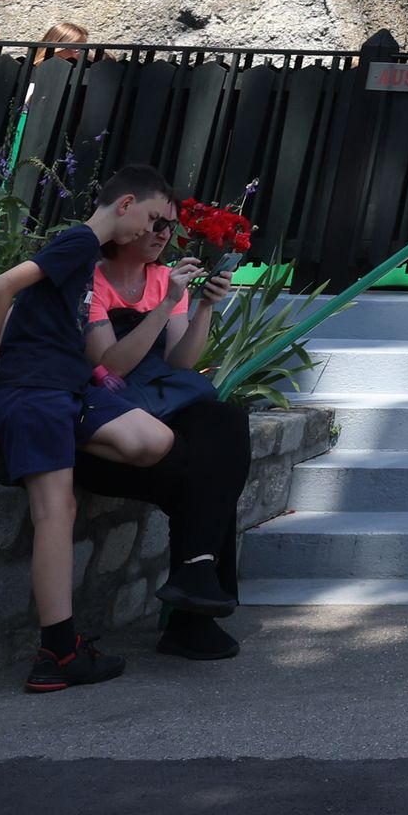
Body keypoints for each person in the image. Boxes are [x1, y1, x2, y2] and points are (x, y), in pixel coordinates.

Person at [0, 171, 189, 689]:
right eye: (154, 219)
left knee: (153, 440)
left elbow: (29, 307)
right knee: (56, 512)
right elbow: (0, 288)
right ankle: (58, 653)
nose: (156, 233)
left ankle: (52, 454)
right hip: (34, 393)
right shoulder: (80, 240)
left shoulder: (88, 255)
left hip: (67, 393)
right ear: (126, 202)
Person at [84, 181, 256, 657]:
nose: (162, 234)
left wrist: (202, 306)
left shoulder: (164, 280)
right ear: (125, 221)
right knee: (207, 473)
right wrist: (162, 306)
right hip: (109, 411)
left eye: (170, 227)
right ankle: (193, 614)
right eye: (155, 222)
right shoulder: (91, 280)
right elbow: (110, 367)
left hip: (159, 399)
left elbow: (181, 363)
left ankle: (196, 582)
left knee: (224, 423)